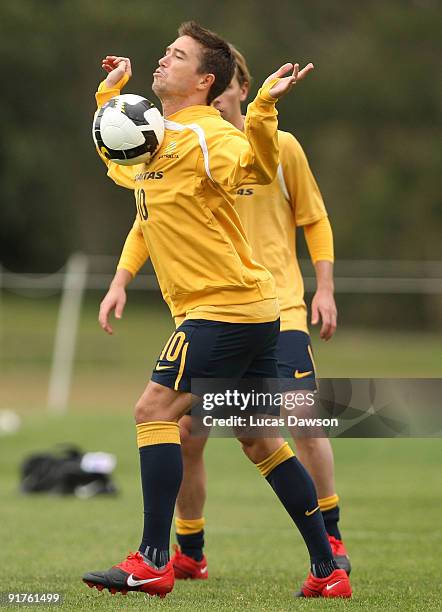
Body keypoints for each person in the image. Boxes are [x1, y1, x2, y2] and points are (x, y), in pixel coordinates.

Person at [83, 21, 351, 599]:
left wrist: (258, 113)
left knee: (153, 410)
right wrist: (110, 97)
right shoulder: (159, 135)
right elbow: (122, 166)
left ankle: (154, 560)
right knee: (258, 438)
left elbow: (252, 168)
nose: (162, 60)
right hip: (246, 309)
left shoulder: (212, 138)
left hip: (223, 308)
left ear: (205, 81)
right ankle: (328, 571)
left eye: (176, 56)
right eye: (165, 52)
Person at [171, 46, 351, 587]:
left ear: (240, 89)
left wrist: (326, 289)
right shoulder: (200, 148)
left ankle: (332, 537)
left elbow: (314, 219)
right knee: (186, 429)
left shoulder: (280, 145)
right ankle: (190, 551)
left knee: (301, 419)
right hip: (222, 309)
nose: (219, 94)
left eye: (227, 86)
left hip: (284, 308)